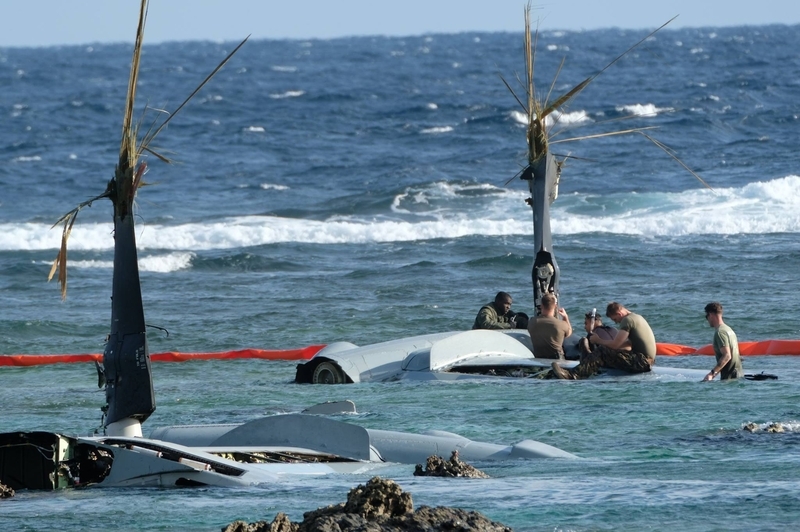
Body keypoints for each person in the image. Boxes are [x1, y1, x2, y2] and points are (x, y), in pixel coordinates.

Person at [550, 301, 656, 379]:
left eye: (615, 319)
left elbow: (615, 344)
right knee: (607, 351)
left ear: (619, 314)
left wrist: (598, 340)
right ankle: (588, 361)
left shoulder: (627, 321)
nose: (616, 323)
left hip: (642, 362)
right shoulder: (637, 317)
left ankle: (573, 375)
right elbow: (627, 344)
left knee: (602, 350)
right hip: (644, 360)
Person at [702, 302, 743, 381]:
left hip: (730, 377)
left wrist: (712, 374)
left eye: (706, 316)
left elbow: (727, 355)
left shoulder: (720, 332)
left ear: (710, 315)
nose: (707, 319)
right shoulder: (729, 329)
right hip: (738, 374)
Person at [528, 293, 572, 359]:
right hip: (558, 361)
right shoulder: (561, 324)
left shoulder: (532, 322)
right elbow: (569, 333)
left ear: (541, 306)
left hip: (539, 359)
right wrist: (566, 317)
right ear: (555, 306)